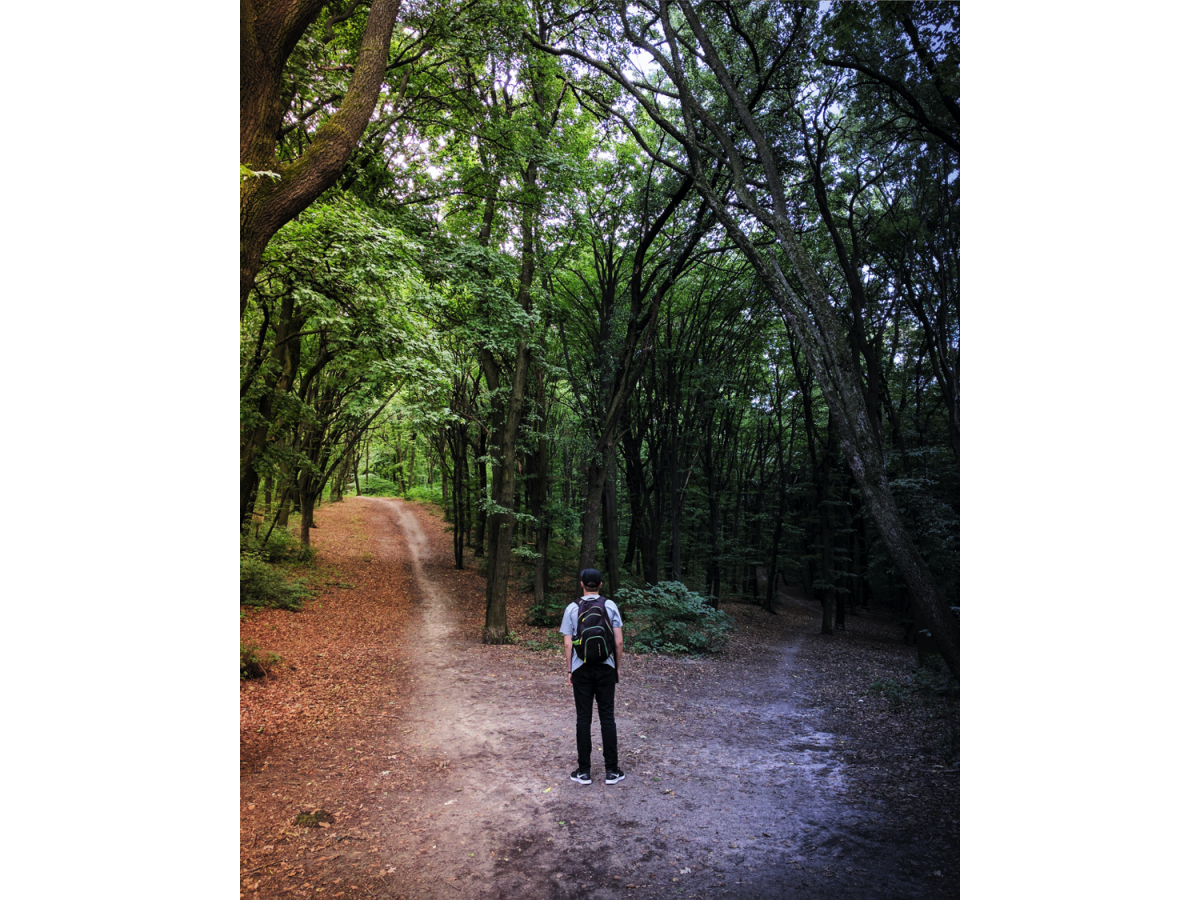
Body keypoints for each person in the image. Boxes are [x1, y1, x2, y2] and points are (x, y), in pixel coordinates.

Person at [561, 568, 625, 785]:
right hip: (606, 667)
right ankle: (612, 771)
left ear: (581, 584)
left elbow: (568, 644)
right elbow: (618, 641)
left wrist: (570, 669)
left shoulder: (572, 608)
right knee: (607, 717)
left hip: (581, 669)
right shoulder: (610, 605)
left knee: (583, 718)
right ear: (600, 584)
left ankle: (584, 772)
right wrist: (616, 667)